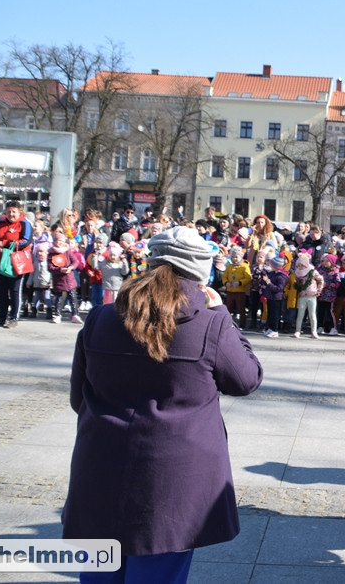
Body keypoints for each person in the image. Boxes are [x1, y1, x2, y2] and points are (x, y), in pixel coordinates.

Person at [62, 226, 262, 583]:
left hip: (101, 462)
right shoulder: (210, 322)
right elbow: (246, 379)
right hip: (172, 475)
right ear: (200, 271)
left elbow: (80, 397)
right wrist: (225, 320)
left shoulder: (101, 317)